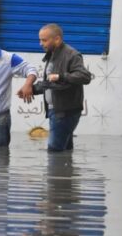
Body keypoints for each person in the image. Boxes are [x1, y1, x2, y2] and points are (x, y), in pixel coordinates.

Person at [32, 23, 92, 152]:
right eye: (40, 40)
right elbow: (50, 84)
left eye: (44, 40)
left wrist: (61, 76)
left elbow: (85, 76)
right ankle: (65, 171)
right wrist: (32, 90)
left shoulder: (72, 54)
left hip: (65, 112)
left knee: (54, 151)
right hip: (57, 111)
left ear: (57, 39)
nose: (40, 44)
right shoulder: (52, 55)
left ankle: (56, 172)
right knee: (65, 150)